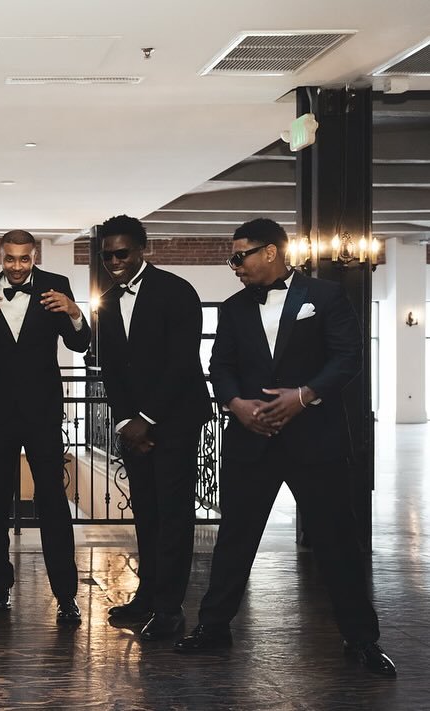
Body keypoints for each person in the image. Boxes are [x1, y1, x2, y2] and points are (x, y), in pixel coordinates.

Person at [174, 218, 395, 677]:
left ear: (271, 252)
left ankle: (362, 639)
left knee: (337, 542)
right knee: (235, 539)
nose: (234, 266)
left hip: (316, 439)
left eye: (240, 256)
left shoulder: (326, 298)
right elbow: (220, 365)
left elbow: (348, 358)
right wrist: (236, 404)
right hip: (251, 439)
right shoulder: (234, 308)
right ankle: (214, 627)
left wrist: (303, 396)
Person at [93, 214, 212, 640]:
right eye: (107, 255)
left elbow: (182, 363)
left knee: (174, 515)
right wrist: (126, 420)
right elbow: (111, 367)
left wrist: (147, 419)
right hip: (134, 428)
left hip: (176, 420)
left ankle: (169, 609)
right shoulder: (106, 300)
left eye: (121, 253)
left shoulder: (178, 291)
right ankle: (147, 597)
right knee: (146, 512)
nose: (114, 261)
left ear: (143, 248)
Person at [0, 230, 91, 626]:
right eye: (9, 259)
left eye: (24, 259)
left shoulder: (56, 287)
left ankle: (66, 595)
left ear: (34, 257)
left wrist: (75, 313)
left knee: (52, 502)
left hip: (42, 413)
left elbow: (80, 346)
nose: (16, 267)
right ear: (0, 256)